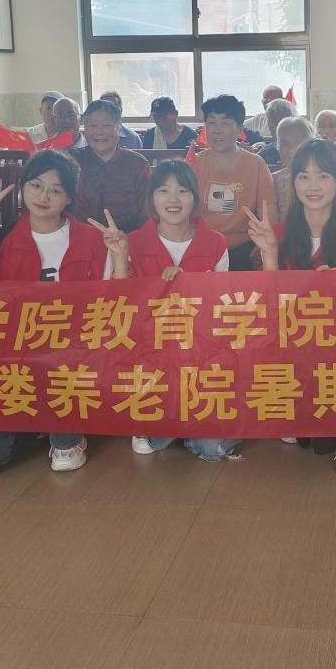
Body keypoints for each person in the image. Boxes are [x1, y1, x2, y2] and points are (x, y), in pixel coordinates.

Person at [0, 151, 129, 477]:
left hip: (74, 362)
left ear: (69, 197)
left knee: (61, 393)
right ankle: (39, 424)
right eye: (35, 185)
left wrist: (119, 258)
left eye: (55, 190)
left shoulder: (94, 241)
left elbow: (118, 308)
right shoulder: (0, 241)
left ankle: (65, 430)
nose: (43, 196)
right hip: (15, 366)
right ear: (23, 188)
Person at [245, 139, 336, 479]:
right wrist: (269, 254)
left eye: (323, 176)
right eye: (304, 176)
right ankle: (297, 410)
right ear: (293, 182)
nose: (313, 186)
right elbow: (270, 304)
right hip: (291, 335)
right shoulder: (277, 234)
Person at [127, 161, 238, 461]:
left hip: (200, 355)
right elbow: (123, 311)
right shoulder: (132, 243)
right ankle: (171, 416)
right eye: (163, 190)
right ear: (152, 197)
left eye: (183, 190)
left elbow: (221, 310)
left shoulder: (216, 243)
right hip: (151, 357)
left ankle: (185, 419)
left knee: (212, 449)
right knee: (153, 439)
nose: (173, 199)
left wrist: (190, 285)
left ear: (195, 198)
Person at [192, 94, 277, 270]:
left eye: (225, 123)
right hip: (201, 246)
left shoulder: (255, 164)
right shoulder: (193, 164)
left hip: (244, 246)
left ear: (240, 129)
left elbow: (268, 209)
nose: (217, 130)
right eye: (211, 123)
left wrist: (265, 242)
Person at [72, 99, 151, 233]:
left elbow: (147, 213)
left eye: (106, 125)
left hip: (128, 238)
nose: (99, 132)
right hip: (80, 238)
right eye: (92, 126)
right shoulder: (72, 162)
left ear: (119, 129)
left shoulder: (137, 165)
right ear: (85, 130)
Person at [272, 116, 316, 219]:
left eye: (298, 143)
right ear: (277, 147)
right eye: (284, 144)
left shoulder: (323, 177)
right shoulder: (272, 180)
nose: (291, 149)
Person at [256, 98, 296, 165]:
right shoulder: (264, 154)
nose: (275, 126)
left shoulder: (302, 151)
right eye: (273, 120)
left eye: (280, 120)